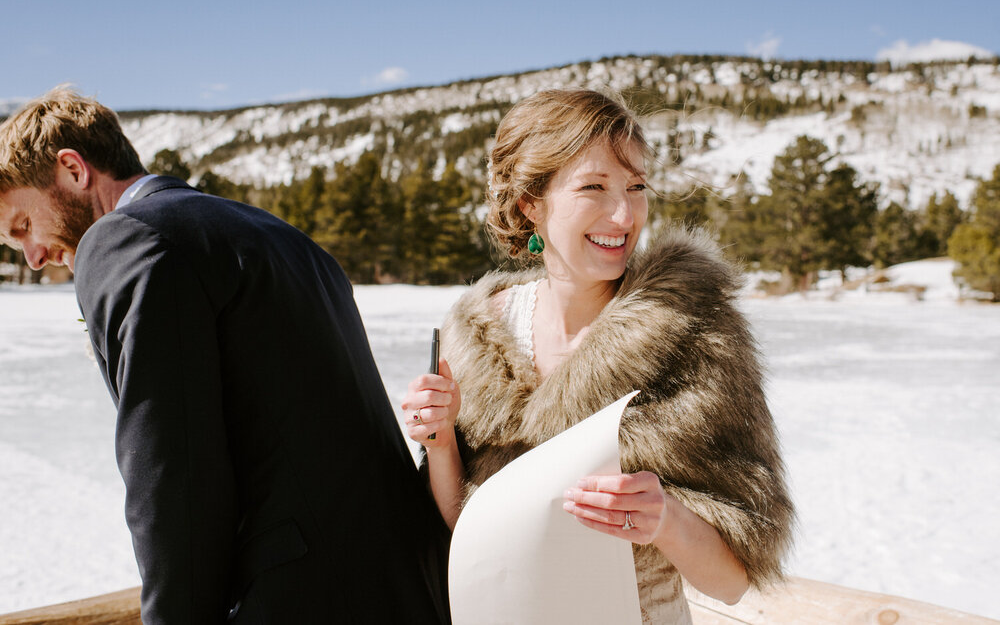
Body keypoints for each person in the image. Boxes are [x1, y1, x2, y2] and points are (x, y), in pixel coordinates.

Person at [0, 87, 451, 625]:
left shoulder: (126, 239)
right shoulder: (280, 236)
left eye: (23, 226)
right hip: (403, 585)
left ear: (73, 170)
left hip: (292, 600)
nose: (32, 255)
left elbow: (172, 469)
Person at [402, 89, 794, 623]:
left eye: (636, 187)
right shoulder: (477, 335)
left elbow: (733, 581)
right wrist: (442, 442)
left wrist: (667, 520)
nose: (624, 213)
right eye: (594, 187)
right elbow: (467, 534)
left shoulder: (696, 332)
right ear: (530, 204)